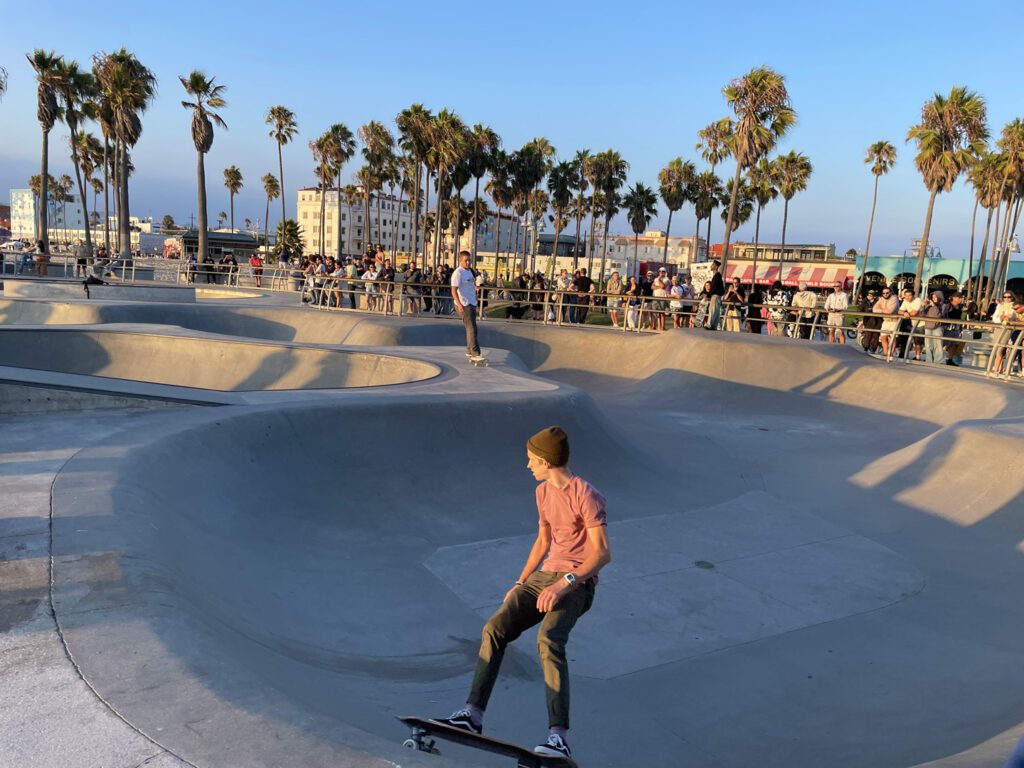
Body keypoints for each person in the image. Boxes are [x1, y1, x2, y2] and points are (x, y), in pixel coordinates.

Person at [438, 426, 611, 760]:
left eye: (531, 460)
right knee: (495, 628)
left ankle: (558, 737)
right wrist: (521, 582)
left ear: (546, 461)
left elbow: (602, 554)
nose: (527, 466)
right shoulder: (543, 493)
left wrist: (565, 584)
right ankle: (473, 715)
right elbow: (543, 540)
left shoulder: (586, 494)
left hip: (578, 582)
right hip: (543, 576)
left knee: (549, 640)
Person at [451, 250, 482, 360]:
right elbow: (454, 291)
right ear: (460, 261)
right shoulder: (458, 273)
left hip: (471, 302)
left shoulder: (470, 271)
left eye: (469, 260)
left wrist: (475, 295)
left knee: (473, 328)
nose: (468, 263)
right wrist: (459, 304)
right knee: (471, 328)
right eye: (465, 261)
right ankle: (475, 352)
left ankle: (470, 350)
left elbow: (472, 285)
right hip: (464, 304)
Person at [991, 290, 1019, 376]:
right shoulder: (1000, 305)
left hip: (1007, 329)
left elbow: (1013, 317)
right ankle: (999, 368)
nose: (1006, 299)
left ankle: (996, 369)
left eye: (1009, 297)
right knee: (997, 348)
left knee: (1001, 348)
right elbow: (994, 318)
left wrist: (1007, 318)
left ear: (1012, 297)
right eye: (1005, 297)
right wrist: (1001, 318)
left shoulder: (1014, 306)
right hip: (999, 328)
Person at [920, 290, 947, 364]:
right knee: (928, 344)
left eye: (935, 297)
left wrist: (934, 306)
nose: (934, 298)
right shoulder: (928, 305)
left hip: (937, 327)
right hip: (928, 326)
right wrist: (923, 306)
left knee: (938, 344)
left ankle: (938, 360)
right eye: (932, 297)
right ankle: (929, 360)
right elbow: (922, 314)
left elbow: (938, 315)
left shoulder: (943, 305)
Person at [898, 287, 924, 360]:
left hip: (920, 324)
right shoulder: (905, 301)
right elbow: (899, 311)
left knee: (918, 341)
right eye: (906, 296)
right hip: (912, 323)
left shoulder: (917, 300)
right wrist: (905, 313)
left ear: (913, 296)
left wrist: (906, 314)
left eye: (909, 295)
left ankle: (918, 357)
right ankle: (905, 355)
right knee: (907, 339)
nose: (907, 297)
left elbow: (914, 313)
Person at [943, 292, 967, 366]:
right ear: (954, 298)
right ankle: (935, 357)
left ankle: (950, 359)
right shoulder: (948, 306)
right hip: (948, 328)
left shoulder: (960, 306)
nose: (961, 299)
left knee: (954, 344)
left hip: (956, 328)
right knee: (943, 342)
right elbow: (943, 314)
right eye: (959, 298)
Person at [824, 280, 849, 344]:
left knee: (840, 332)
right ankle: (831, 346)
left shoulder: (844, 295)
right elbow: (826, 305)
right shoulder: (831, 295)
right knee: (831, 331)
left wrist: (837, 309)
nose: (836, 287)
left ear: (841, 287)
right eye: (834, 286)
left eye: (837, 286)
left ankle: (842, 348)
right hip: (831, 315)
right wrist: (828, 308)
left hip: (839, 315)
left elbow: (845, 306)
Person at [707, 260, 725, 329]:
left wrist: (708, 295)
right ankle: (714, 325)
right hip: (717, 295)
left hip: (715, 295)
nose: (711, 266)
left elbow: (713, 287)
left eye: (712, 265)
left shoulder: (717, 275)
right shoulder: (717, 275)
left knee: (712, 310)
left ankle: (709, 324)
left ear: (716, 267)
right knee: (716, 311)